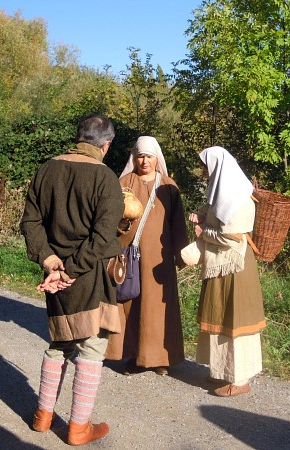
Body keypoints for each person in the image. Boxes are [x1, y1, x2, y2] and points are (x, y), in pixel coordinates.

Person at [20, 114, 125, 446]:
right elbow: (102, 237)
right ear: (106, 145)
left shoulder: (47, 169)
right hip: (90, 273)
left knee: (61, 339)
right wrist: (70, 270)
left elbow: (31, 222)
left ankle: (43, 416)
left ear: (79, 137)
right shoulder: (105, 177)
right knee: (92, 344)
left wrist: (50, 261)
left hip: (55, 272)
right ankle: (79, 428)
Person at [105, 136, 189, 376]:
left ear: (157, 158)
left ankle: (159, 358)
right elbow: (110, 220)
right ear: (134, 158)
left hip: (159, 261)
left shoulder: (168, 187)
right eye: (140, 156)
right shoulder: (124, 183)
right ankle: (133, 356)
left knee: (157, 308)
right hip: (128, 257)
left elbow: (178, 224)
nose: (144, 161)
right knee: (130, 305)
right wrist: (120, 228)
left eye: (149, 157)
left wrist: (181, 255)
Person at [188, 146, 266, 397]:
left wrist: (204, 233)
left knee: (235, 319)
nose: (203, 171)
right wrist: (202, 218)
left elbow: (232, 238)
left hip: (236, 268)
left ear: (217, 167)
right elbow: (213, 214)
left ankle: (239, 379)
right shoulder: (221, 190)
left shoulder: (239, 198)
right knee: (219, 316)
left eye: (205, 167)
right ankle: (222, 370)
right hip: (220, 265)